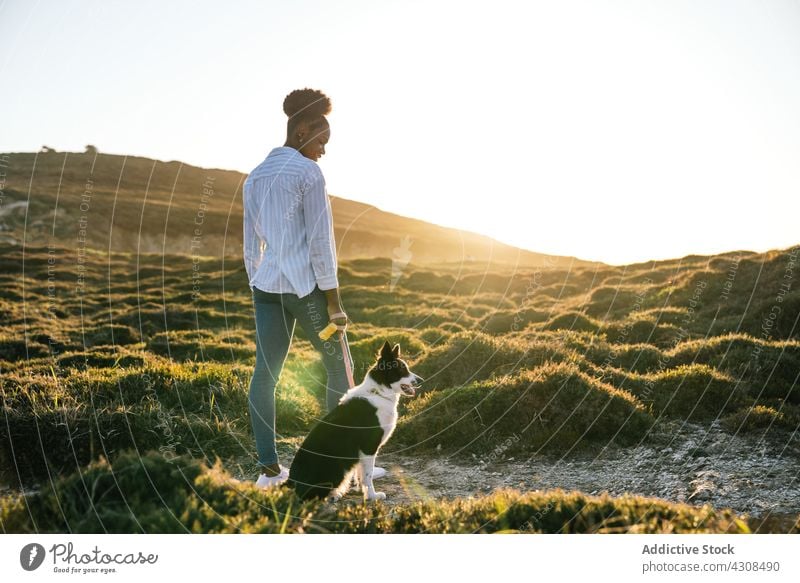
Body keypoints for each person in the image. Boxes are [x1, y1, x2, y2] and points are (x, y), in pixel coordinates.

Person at [242, 88, 386, 487]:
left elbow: (251, 243)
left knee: (265, 374)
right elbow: (322, 243)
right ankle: (335, 463)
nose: (323, 149)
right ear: (303, 130)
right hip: (304, 290)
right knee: (340, 368)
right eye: (322, 140)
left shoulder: (254, 177)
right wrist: (334, 302)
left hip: (266, 288)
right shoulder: (308, 173)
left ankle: (269, 471)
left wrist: (259, 279)